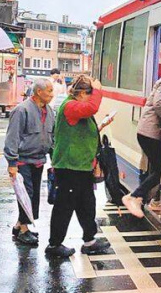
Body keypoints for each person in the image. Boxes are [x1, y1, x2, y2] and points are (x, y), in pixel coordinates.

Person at [47, 75, 112, 259]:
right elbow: (92, 107)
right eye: (89, 94)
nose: (91, 98)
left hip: (81, 166)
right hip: (70, 166)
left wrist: (101, 125)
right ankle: (54, 244)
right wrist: (98, 90)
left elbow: (81, 132)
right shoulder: (70, 106)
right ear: (82, 93)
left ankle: (89, 240)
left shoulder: (76, 107)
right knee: (64, 206)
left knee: (86, 204)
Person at [3, 78, 55, 246]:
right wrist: (12, 163)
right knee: (26, 194)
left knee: (33, 196)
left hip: (39, 160)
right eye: (49, 91)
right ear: (39, 92)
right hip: (22, 160)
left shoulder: (49, 111)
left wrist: (54, 158)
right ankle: (23, 229)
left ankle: (20, 225)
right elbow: (12, 137)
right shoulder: (22, 110)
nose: (52, 95)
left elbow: (52, 137)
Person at [122, 73, 161, 218]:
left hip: (149, 132)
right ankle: (135, 196)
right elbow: (159, 103)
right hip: (150, 133)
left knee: (156, 168)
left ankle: (149, 199)